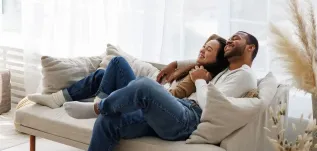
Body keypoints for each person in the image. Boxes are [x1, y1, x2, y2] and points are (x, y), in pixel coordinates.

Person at [34, 31, 259, 151]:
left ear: (250, 48)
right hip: (176, 112)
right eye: (228, 39)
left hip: (189, 117)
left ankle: (98, 105)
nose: (229, 41)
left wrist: (200, 81)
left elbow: (210, 108)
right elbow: (205, 60)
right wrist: (178, 63)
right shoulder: (226, 69)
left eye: (235, 39)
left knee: (144, 86)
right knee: (109, 122)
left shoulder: (244, 75)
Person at [27, 34, 229, 110]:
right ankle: (56, 99)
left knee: (117, 62)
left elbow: (175, 96)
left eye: (208, 50)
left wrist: (155, 88)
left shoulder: (199, 75)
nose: (202, 50)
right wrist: (175, 63)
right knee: (100, 75)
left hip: (148, 98)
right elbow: (191, 61)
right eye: (203, 46)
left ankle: (101, 105)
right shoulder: (194, 66)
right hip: (148, 91)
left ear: (217, 60)